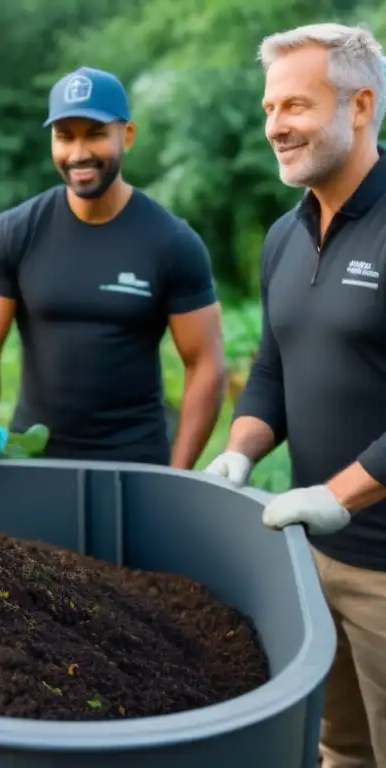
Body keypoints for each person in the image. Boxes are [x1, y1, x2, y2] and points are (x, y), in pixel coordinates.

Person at [204, 24, 386, 767]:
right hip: (311, 558)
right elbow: (274, 371)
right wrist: (240, 453)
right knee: (337, 749)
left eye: (297, 106)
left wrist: (338, 492)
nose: (276, 126)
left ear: (361, 104)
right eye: (269, 107)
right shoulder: (283, 236)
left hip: (384, 571)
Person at [0, 67, 225, 467]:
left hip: (136, 466)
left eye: (95, 134)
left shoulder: (171, 242)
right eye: (65, 136)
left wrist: (178, 473)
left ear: (128, 135)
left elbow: (206, 362)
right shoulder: (16, 232)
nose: (78, 153)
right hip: (34, 460)